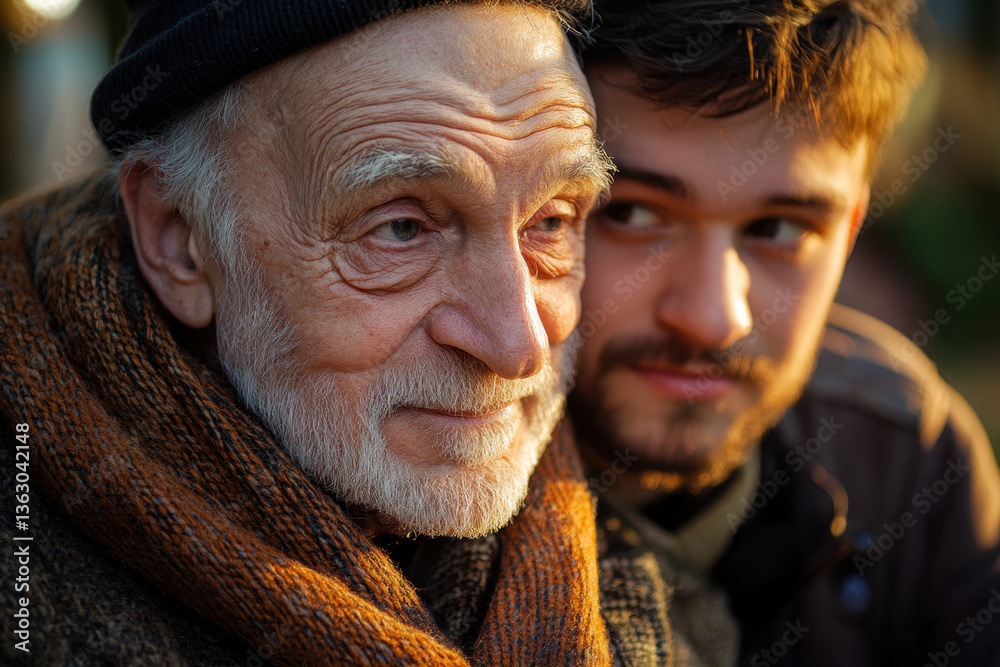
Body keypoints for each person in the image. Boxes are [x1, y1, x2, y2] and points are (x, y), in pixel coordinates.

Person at [0, 1, 721, 664]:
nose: (520, 344)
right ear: (179, 240)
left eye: (552, 223)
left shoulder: (674, 612)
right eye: (401, 229)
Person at [571, 0, 1000, 665]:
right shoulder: (409, 473)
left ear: (849, 230)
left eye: (779, 229)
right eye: (631, 213)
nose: (716, 317)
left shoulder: (902, 451)